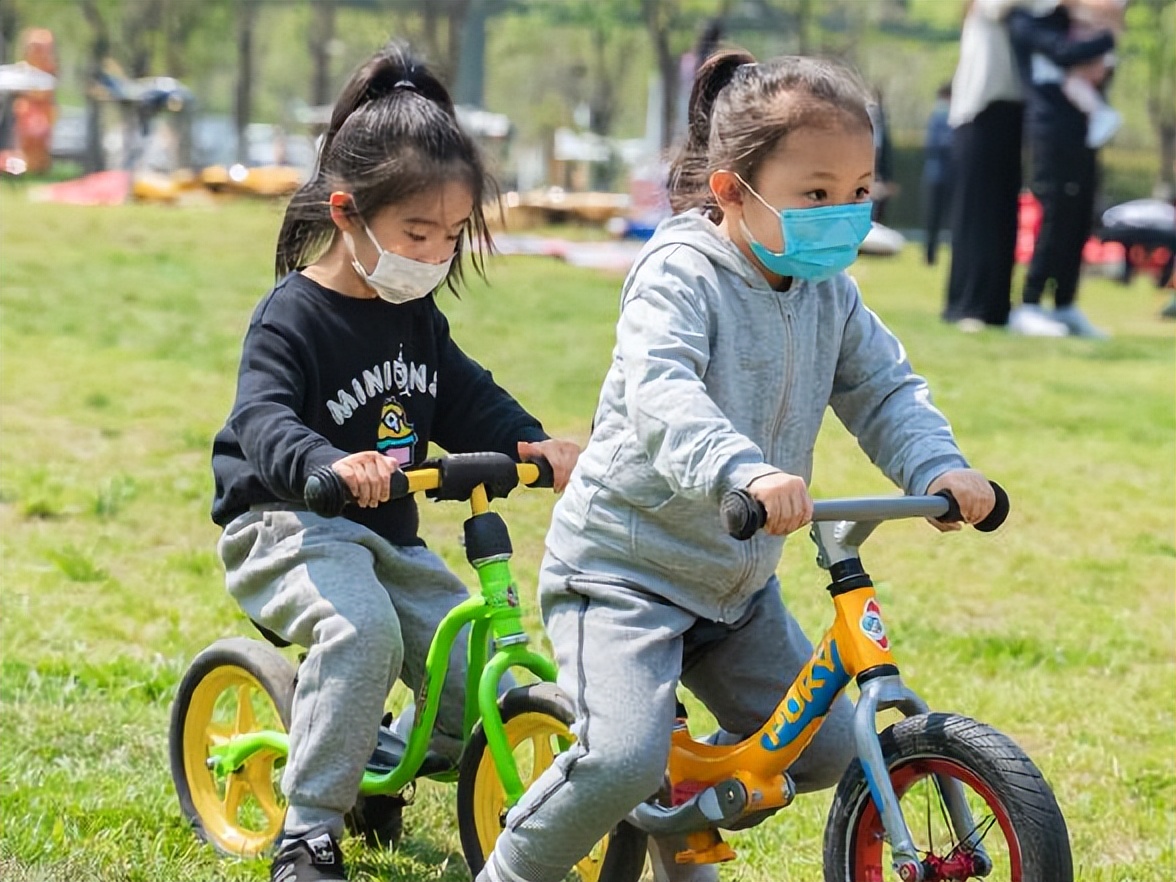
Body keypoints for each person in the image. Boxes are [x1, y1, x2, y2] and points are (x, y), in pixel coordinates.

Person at [476, 50, 997, 882]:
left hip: (735, 589)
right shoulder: (679, 276)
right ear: (731, 191)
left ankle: (682, 805)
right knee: (619, 759)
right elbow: (662, 393)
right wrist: (742, 472)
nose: (846, 214)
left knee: (825, 751)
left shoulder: (829, 291)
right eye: (817, 194)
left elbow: (885, 388)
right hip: (622, 574)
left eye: (861, 191)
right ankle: (508, 869)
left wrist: (939, 468)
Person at [208, 42, 579, 882]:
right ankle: (306, 831)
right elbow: (260, 417)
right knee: (362, 632)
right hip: (287, 523)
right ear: (346, 213)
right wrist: (323, 464)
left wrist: (532, 443)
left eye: (451, 236)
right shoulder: (291, 317)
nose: (436, 254)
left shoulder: (417, 318)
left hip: (386, 535)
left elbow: (465, 397)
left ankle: (373, 758)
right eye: (418, 232)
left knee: (467, 663)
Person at [942, 0, 1059, 333]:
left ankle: (994, 307)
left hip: (1010, 108)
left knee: (1002, 214)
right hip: (981, 110)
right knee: (978, 214)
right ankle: (969, 304)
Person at [1008, 0, 1118, 337]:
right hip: (1050, 129)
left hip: (1083, 129)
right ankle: (1029, 301)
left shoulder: (1068, 19)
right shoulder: (1026, 21)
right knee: (1054, 215)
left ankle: (1065, 302)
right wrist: (1108, 39)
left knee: (1080, 216)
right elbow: (1063, 53)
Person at [922, 83, 954, 266]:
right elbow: (934, 143)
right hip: (936, 176)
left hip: (950, 176)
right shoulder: (937, 117)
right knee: (932, 218)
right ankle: (929, 254)